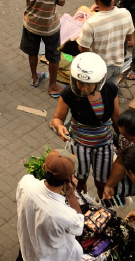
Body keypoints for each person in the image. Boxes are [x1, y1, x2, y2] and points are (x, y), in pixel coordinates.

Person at [0, 149, 84, 261]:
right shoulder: (65, 215)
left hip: (28, 249)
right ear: (69, 179)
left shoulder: (26, 183)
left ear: (44, 167)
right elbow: (79, 226)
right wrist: (71, 195)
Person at [51, 52, 121, 196]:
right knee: (79, 180)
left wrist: (123, 140)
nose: (83, 88)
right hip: (79, 145)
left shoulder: (110, 90)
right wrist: (59, 126)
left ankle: (103, 207)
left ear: (99, 82)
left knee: (102, 182)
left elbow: (116, 118)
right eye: (80, 82)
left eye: (88, 85)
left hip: (104, 144)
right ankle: (82, 205)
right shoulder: (68, 94)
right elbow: (57, 118)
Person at [15, 0, 69, 97]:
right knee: (53, 55)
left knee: (32, 51)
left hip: (31, 22)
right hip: (50, 25)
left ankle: (34, 77)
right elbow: (62, 1)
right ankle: (52, 86)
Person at [77, 0, 134, 86]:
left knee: (98, 94)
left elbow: (83, 48)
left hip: (100, 68)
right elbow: (129, 38)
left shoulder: (91, 23)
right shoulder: (125, 14)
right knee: (111, 91)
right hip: (118, 65)